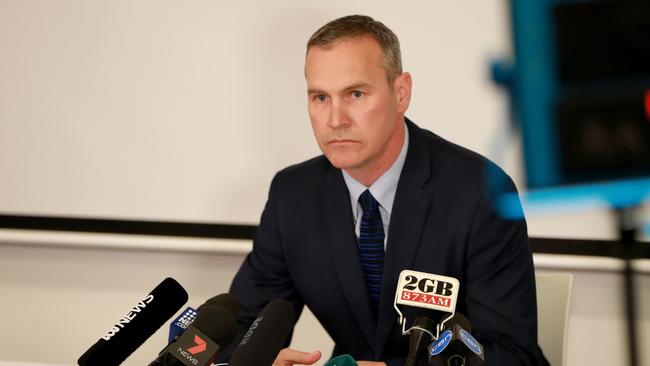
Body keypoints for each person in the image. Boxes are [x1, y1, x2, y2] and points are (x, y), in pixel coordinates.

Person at [226, 15, 538, 365]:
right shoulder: (293, 196)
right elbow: (239, 330)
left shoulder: (480, 193)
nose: (335, 119)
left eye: (355, 94)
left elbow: (513, 355)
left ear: (401, 92)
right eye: (320, 98)